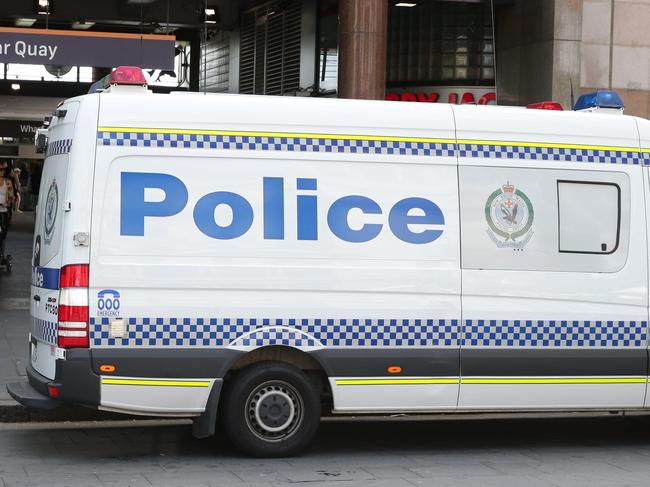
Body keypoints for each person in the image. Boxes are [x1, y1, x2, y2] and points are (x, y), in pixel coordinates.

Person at [0, 161, 15, 266]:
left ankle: (2, 255)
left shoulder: (8, 182)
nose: (1, 172)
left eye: (2, 170)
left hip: (3, 211)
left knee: (3, 235)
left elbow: (11, 196)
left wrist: (7, 203)